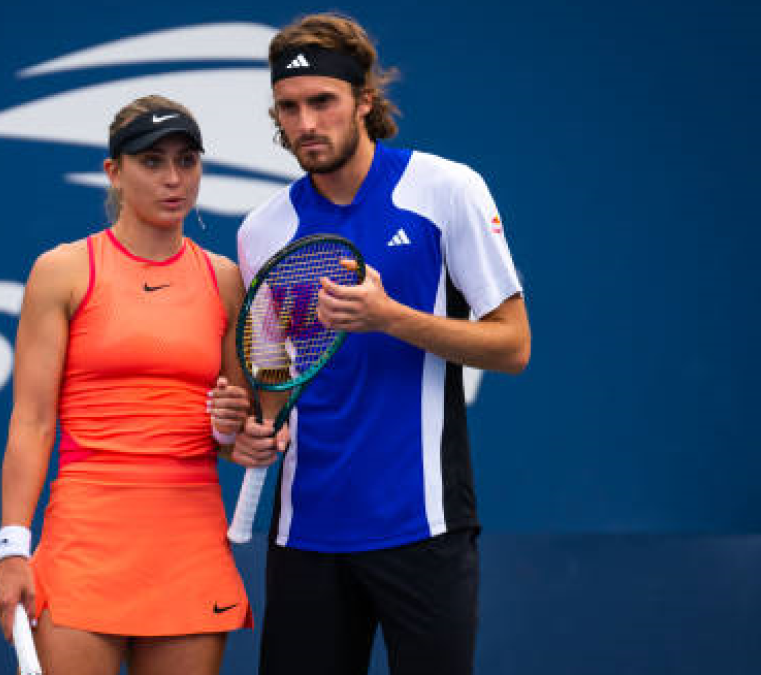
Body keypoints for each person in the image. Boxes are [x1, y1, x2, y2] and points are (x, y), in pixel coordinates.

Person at [227, 13, 532, 675]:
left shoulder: (447, 190)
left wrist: (391, 316)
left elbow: (512, 345)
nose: (305, 123)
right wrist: (254, 429)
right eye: (289, 107)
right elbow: (275, 383)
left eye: (323, 102)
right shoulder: (262, 231)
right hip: (304, 534)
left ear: (365, 98)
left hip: (422, 529)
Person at [0, 95, 252, 675]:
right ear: (114, 171)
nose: (174, 178)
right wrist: (12, 549)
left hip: (190, 546)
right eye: (152, 162)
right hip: (86, 545)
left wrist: (237, 430)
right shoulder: (63, 271)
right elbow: (32, 422)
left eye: (187, 160)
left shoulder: (226, 280)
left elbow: (236, 438)